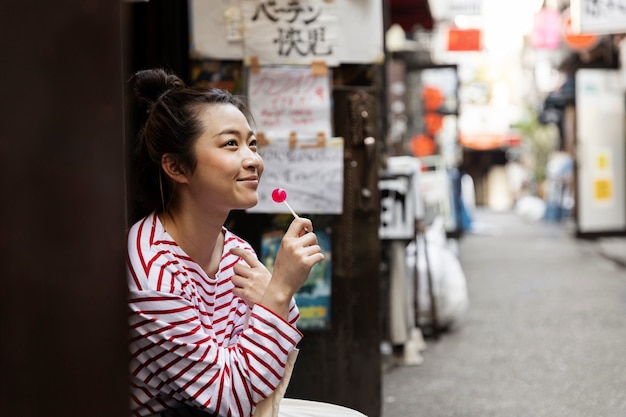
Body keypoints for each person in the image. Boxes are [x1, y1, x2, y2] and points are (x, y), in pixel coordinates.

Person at [126, 68, 325, 417]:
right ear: (177, 167)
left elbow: (268, 370)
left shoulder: (236, 253)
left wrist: (276, 294)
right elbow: (227, 398)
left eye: (252, 143)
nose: (254, 161)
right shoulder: (152, 275)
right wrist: (278, 290)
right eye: (231, 144)